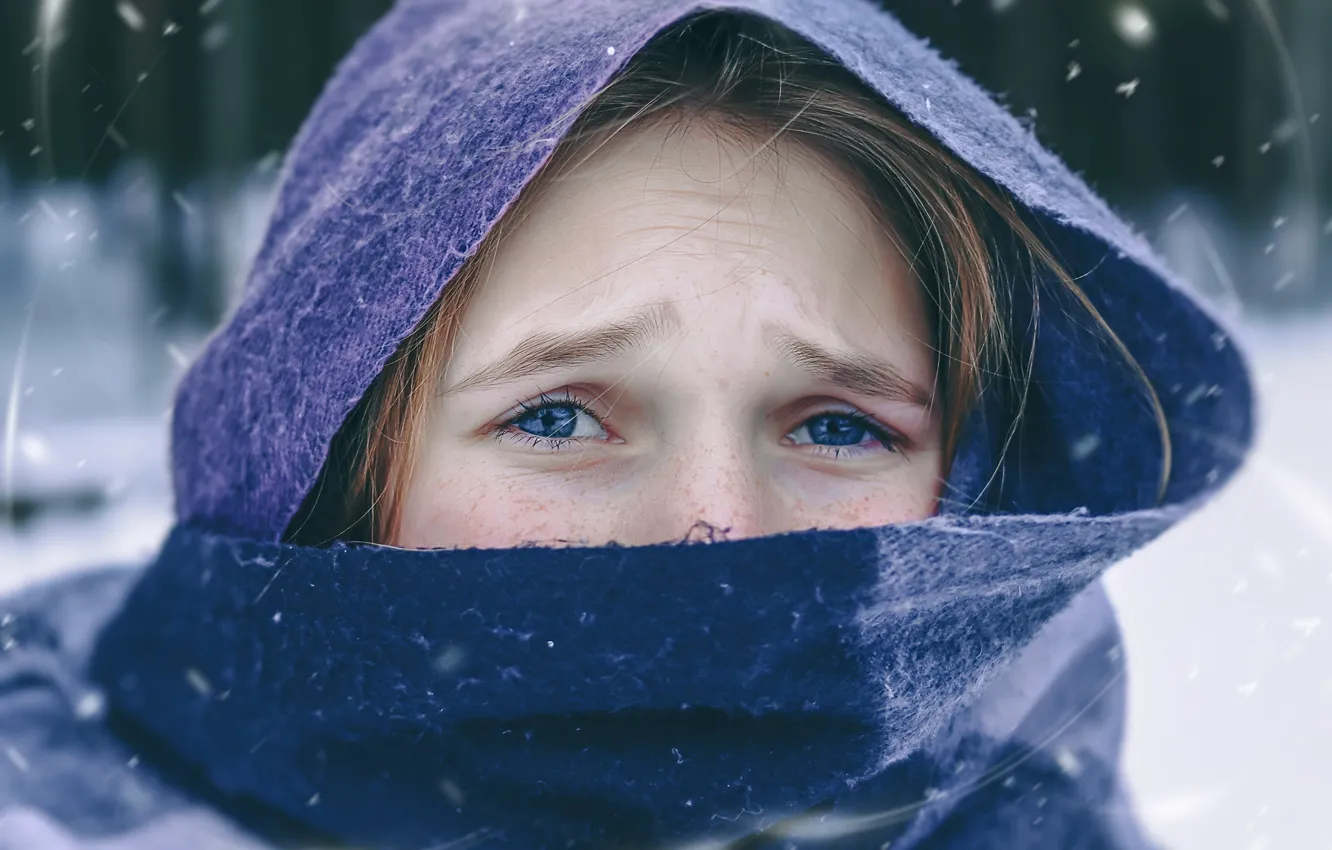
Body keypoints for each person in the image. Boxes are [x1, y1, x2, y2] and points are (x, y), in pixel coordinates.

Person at [0, 0, 1253, 848]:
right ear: (328, 468)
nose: (717, 530)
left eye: (837, 426)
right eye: (557, 413)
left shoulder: (1029, 792)